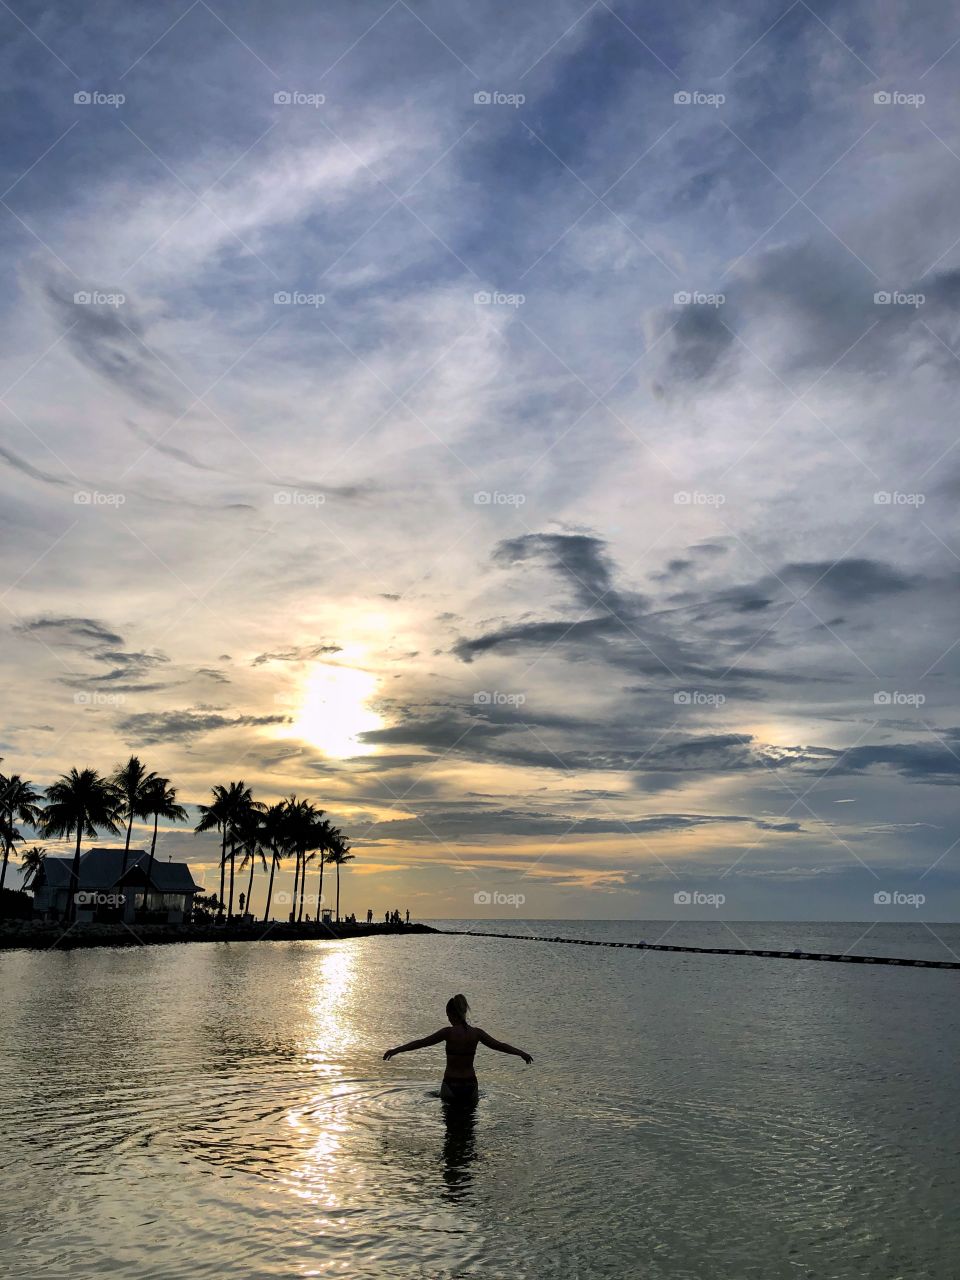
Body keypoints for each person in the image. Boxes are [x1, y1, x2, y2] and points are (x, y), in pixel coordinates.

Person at [382, 994, 532, 1105]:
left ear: (453, 1014)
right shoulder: (476, 1033)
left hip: (451, 1085)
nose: (448, 1019)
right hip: (471, 1086)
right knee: (469, 1135)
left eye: (448, 1015)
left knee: (450, 1138)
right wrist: (521, 1053)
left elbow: (422, 1043)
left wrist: (396, 1050)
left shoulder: (448, 1032)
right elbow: (499, 1045)